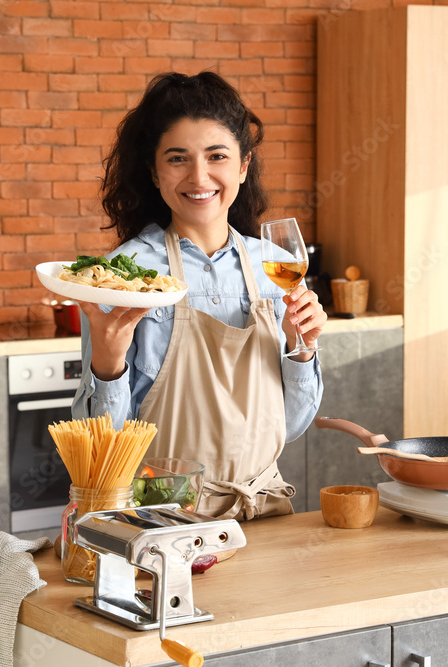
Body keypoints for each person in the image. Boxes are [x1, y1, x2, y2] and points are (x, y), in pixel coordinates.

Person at [72, 72, 326, 520]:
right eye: (177, 158)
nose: (199, 175)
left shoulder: (275, 269)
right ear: (153, 171)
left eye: (217, 156)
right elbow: (100, 448)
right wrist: (107, 368)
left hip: (262, 510)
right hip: (161, 515)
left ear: (243, 166)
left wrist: (300, 349)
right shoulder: (124, 277)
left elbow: (292, 426)